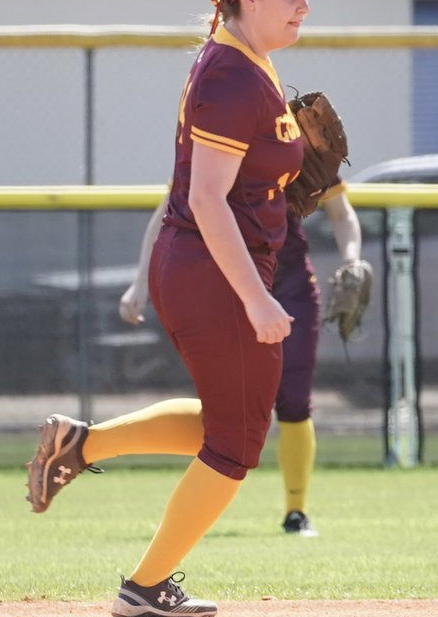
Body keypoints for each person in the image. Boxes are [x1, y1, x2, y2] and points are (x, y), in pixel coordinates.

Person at [25, 0, 340, 617]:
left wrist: (282, 184)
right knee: (237, 440)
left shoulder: (249, 63)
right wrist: (256, 299)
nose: (303, 6)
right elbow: (205, 199)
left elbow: (236, 187)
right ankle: (145, 586)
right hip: (211, 272)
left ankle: (83, 445)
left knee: (233, 423)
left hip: (210, 265)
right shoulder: (231, 76)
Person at [119, 179, 368, 538]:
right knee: (223, 407)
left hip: (289, 286)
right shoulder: (221, 149)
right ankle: (195, 507)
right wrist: (141, 281)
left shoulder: (302, 151)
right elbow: (167, 212)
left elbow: (341, 213)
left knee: (295, 400)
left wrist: (352, 260)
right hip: (225, 287)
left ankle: (296, 511)